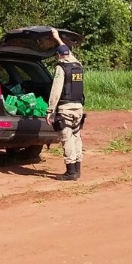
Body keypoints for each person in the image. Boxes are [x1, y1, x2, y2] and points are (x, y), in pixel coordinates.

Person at [46, 28, 85, 181]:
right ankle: (77, 170)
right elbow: (68, 53)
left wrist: (50, 110)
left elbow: (56, 91)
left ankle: (70, 172)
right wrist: (57, 39)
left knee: (67, 139)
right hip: (78, 108)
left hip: (65, 108)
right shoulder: (77, 65)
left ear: (58, 55)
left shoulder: (60, 68)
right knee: (76, 137)